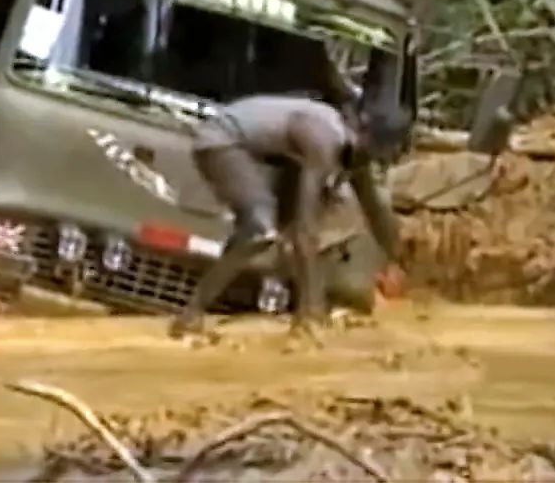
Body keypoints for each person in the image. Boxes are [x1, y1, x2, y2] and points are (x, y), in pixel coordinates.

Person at [169, 94, 402, 340]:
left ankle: (308, 312)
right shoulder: (323, 140)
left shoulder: (352, 153)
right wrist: (312, 309)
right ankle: (191, 315)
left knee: (295, 230)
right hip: (221, 142)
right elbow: (305, 228)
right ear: (368, 139)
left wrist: (397, 261)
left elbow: (374, 209)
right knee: (262, 228)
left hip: (258, 152)